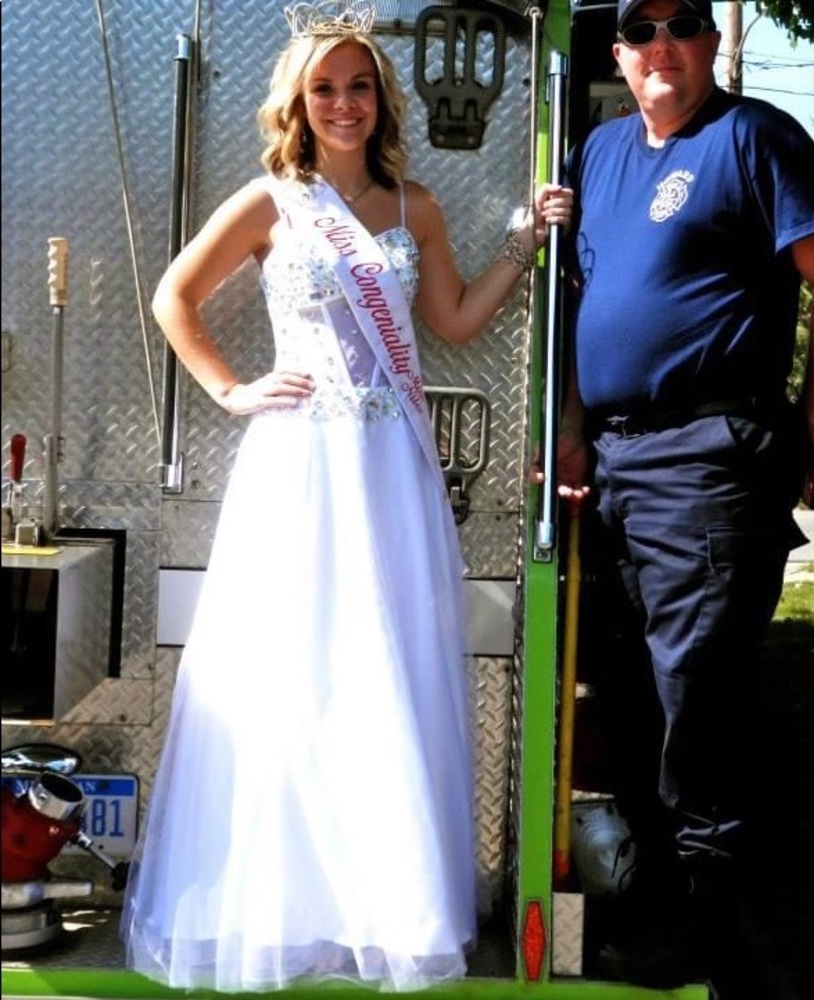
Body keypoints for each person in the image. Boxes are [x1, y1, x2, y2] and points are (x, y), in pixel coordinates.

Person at [119, 6, 572, 993]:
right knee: (293, 673)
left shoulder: (417, 207)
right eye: (323, 88)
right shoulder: (272, 201)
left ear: (381, 98)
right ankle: (284, 907)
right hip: (297, 465)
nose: (343, 103)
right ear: (297, 101)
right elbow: (173, 296)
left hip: (390, 468)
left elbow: (452, 320)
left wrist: (521, 241)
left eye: (359, 85)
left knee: (383, 673)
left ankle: (380, 909)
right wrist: (232, 389)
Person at [534, 0, 814, 991]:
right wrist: (573, 424)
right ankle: (655, 895)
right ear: (617, 52)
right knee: (628, 692)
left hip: (709, 456)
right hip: (615, 461)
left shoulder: (754, 137)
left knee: (698, 696)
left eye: (682, 23)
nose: (661, 46)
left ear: (712, 40)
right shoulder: (600, 153)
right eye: (640, 30)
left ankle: (709, 925)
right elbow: (587, 302)